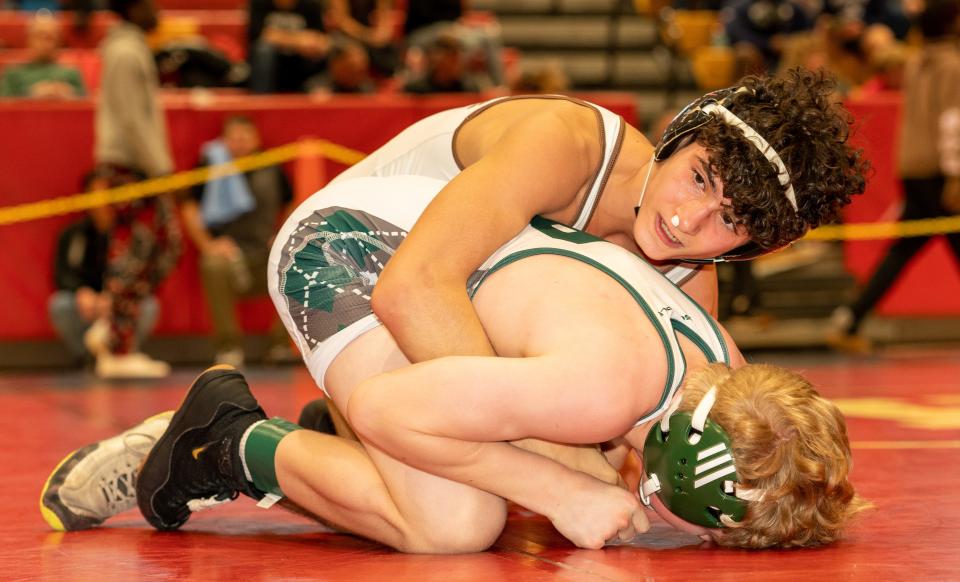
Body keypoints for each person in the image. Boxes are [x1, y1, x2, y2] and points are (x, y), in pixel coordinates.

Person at [41, 175, 867, 551]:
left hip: (441, 259)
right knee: (457, 525)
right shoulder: (602, 387)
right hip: (354, 254)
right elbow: (393, 410)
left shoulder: (721, 361)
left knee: (554, 463)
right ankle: (223, 439)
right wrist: (561, 491)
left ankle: (355, 445)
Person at [829, 0, 960, 354]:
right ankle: (849, 318)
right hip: (940, 171)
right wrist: (956, 177)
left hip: (914, 169)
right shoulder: (952, 66)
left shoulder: (916, 63)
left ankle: (849, 318)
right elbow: (953, 123)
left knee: (902, 250)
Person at [90, 0, 181, 378]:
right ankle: (118, 348)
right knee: (135, 255)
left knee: (161, 245)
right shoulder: (126, 51)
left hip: (137, 165)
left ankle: (109, 330)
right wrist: (161, 169)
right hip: (133, 167)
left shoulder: (128, 47)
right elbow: (131, 118)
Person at [181, 115, 294, 367]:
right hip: (230, 253)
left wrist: (282, 235)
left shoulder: (272, 166)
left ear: (256, 139)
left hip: (266, 251)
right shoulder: (211, 166)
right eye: (234, 137)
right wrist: (207, 244)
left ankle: (281, 345)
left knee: (299, 261)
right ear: (224, 141)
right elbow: (188, 206)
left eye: (246, 136)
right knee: (212, 264)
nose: (240, 142)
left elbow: (291, 202)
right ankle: (228, 347)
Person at [48, 175, 160, 366]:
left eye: (110, 194)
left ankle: (123, 354)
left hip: (120, 306)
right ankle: (88, 359)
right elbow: (62, 274)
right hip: (86, 308)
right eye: (97, 194)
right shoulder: (73, 234)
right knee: (60, 304)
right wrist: (81, 292)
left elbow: (146, 275)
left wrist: (118, 297)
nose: (104, 201)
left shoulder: (134, 234)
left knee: (149, 306)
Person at [247, 0, 330, 93]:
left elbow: (320, 38)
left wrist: (280, 38)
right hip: (271, 64)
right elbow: (260, 35)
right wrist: (297, 41)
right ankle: (260, 99)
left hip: (301, 63)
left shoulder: (311, 5)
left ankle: (316, 93)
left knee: (320, 50)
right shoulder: (259, 4)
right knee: (263, 49)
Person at [0, 10, 86, 99]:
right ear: (29, 40)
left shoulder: (71, 72)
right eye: (40, 36)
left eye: (50, 38)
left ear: (58, 42)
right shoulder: (13, 74)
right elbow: (4, 106)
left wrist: (68, 94)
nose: (45, 43)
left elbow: (87, 105)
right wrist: (31, 94)